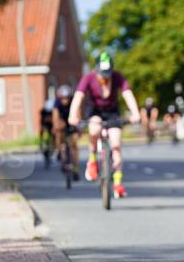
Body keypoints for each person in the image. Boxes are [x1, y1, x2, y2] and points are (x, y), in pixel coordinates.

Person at [68, 52, 140, 197]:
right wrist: (73, 115)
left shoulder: (118, 77)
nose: (105, 76)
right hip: (95, 111)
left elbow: (127, 94)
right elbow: (79, 96)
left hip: (112, 112)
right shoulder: (88, 78)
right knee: (94, 129)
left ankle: (118, 184)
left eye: (107, 73)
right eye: (102, 73)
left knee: (116, 144)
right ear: (96, 69)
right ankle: (93, 160)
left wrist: (135, 113)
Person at [52, 85, 79, 180]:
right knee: (59, 134)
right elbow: (55, 115)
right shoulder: (57, 102)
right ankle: (59, 150)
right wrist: (55, 126)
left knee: (74, 144)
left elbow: (77, 112)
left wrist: (78, 127)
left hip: (71, 121)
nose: (65, 100)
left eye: (66, 98)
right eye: (63, 99)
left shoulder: (73, 101)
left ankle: (75, 168)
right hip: (62, 121)